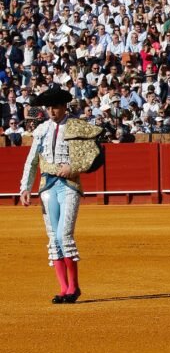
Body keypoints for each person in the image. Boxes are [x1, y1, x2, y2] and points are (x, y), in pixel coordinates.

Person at [19, 89, 103, 304]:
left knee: (64, 235)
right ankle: (63, 288)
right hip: (47, 186)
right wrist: (25, 187)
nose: (52, 111)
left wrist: (73, 167)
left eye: (55, 107)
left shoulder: (77, 126)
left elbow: (94, 156)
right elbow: (32, 160)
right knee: (53, 238)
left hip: (69, 186)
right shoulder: (41, 130)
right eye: (49, 108)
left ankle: (74, 287)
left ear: (65, 107)